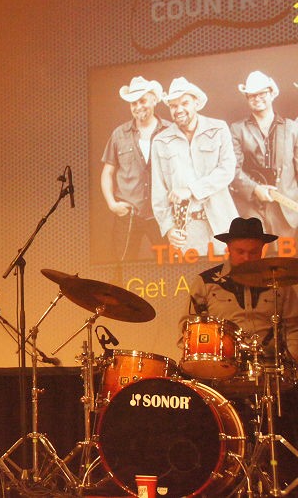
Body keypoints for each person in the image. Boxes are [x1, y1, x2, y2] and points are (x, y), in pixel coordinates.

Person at [183, 216, 298, 487]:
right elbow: (187, 329)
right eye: (240, 252)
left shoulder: (281, 283)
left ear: (263, 250)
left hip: (271, 372)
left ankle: (285, 481)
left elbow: (294, 327)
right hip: (221, 372)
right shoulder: (206, 282)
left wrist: (292, 363)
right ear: (228, 249)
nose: (247, 258)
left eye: (253, 252)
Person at [151, 76, 238, 256]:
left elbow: (227, 170)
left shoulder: (219, 129)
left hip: (223, 223)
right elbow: (159, 191)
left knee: (232, 272)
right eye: (173, 106)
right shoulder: (160, 141)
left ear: (196, 103)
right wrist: (169, 228)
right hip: (187, 230)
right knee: (195, 275)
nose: (179, 110)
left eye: (185, 103)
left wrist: (191, 190)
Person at [100, 76, 169, 260]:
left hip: (162, 215)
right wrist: (112, 204)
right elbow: (107, 172)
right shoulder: (119, 134)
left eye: (142, 101)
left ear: (154, 100)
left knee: (170, 265)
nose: (138, 106)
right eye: (133, 103)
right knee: (121, 267)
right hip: (128, 215)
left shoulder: (170, 131)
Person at [230, 71, 298, 239]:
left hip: (286, 211)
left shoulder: (291, 128)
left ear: (272, 93)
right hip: (251, 210)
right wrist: (255, 189)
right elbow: (232, 169)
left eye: (262, 93)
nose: (257, 98)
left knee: (285, 256)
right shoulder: (237, 129)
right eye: (252, 95)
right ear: (247, 98)